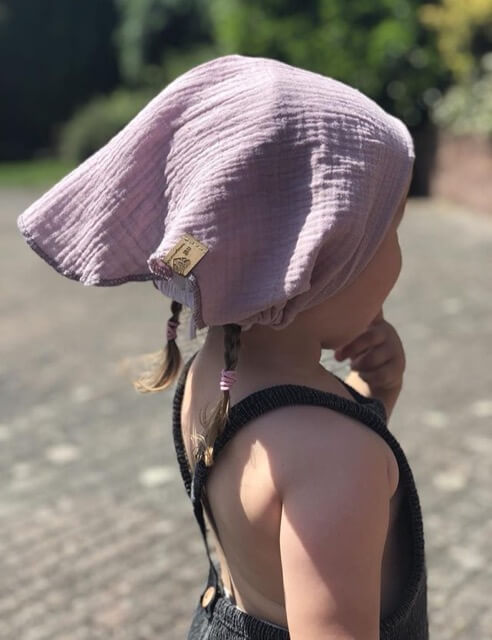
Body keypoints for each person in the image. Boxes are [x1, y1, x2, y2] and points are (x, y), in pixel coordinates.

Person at [17, 54, 428, 639]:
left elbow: (276, 500)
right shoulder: (339, 459)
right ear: (318, 258)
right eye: (390, 233)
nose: (400, 258)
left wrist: (373, 397)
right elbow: (321, 473)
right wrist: (359, 433)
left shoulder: (212, 376)